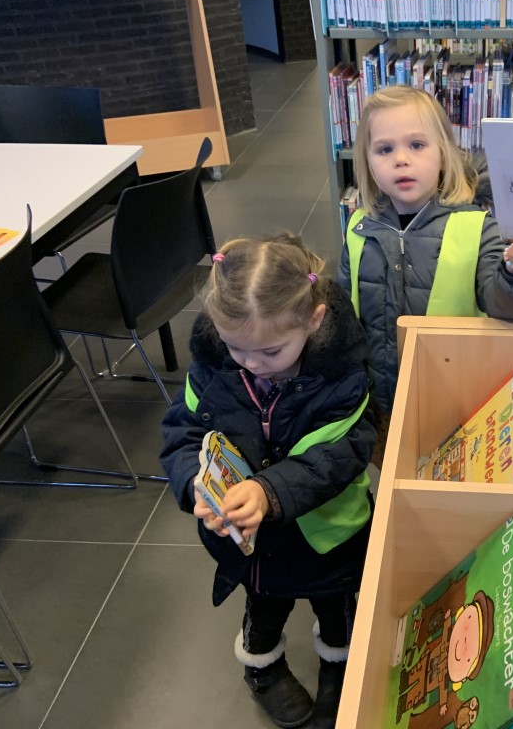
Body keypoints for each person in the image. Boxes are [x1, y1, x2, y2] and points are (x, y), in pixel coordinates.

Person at [161, 234, 376, 729]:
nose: (251, 363)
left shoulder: (341, 378)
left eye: (271, 350)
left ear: (314, 321)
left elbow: (338, 456)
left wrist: (269, 490)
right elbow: (182, 433)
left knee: (338, 605)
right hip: (252, 547)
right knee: (263, 604)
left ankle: (340, 665)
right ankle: (262, 668)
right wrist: (195, 483)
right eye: (235, 347)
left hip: (329, 535)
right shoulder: (214, 368)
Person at [339, 85, 513, 429]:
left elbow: (505, 306)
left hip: (455, 401)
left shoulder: (476, 226)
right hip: (379, 404)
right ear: (367, 163)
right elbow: (344, 317)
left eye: (417, 145)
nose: (401, 159)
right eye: (385, 149)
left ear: (443, 154)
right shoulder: (358, 229)